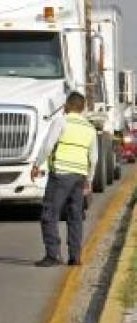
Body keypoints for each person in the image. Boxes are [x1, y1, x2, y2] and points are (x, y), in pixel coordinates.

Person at [30, 92, 97, 267]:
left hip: (61, 173)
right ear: (82, 108)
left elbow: (48, 145)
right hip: (79, 176)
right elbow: (94, 158)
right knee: (75, 216)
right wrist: (89, 179)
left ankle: (53, 255)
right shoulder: (89, 128)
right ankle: (75, 257)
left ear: (67, 105)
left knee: (50, 213)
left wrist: (37, 164)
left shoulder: (61, 121)